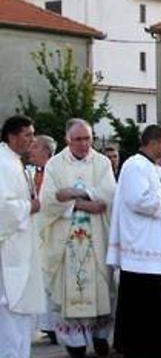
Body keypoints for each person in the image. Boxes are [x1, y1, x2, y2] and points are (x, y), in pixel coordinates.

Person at [39, 119, 117, 358]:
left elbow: (108, 196)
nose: (85, 144)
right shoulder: (55, 164)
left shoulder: (102, 162)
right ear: (67, 140)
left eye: (88, 139)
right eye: (79, 139)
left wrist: (74, 194)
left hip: (96, 239)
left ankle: (100, 337)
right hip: (66, 243)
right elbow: (50, 200)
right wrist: (83, 203)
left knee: (101, 289)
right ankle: (75, 343)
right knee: (69, 293)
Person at [107, 124, 161, 358]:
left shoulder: (154, 168)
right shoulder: (135, 165)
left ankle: (155, 346)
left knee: (155, 303)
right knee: (142, 305)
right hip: (141, 250)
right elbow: (139, 200)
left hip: (152, 248)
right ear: (153, 142)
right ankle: (139, 347)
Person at [0, 115, 46, 357]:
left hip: (19, 248)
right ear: (12, 136)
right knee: (8, 310)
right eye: (27, 135)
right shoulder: (3, 164)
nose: (32, 140)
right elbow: (2, 209)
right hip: (7, 252)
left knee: (19, 314)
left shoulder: (14, 162)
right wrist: (29, 207)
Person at [29, 134, 57, 344]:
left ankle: (56, 325)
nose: (30, 149)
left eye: (35, 146)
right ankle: (47, 325)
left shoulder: (56, 172)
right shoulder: (29, 172)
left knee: (52, 281)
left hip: (52, 231)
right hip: (34, 232)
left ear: (46, 151)